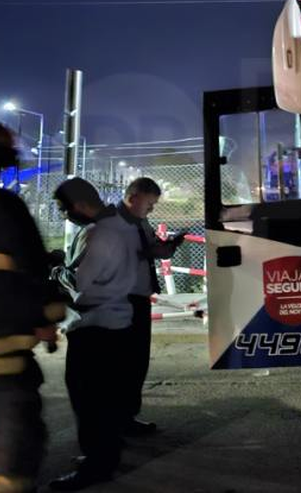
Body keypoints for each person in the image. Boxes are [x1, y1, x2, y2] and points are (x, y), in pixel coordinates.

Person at [49, 178, 143, 491]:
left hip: (94, 326)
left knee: (89, 401)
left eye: (64, 209)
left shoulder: (96, 233)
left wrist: (57, 270)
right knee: (107, 398)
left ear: (78, 204)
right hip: (117, 322)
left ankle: (96, 465)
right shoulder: (123, 227)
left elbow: (79, 282)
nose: (64, 215)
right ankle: (105, 456)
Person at [0, 121, 63, 493]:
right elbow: (33, 268)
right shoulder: (5, 207)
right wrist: (48, 316)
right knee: (12, 440)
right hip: (2, 356)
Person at [117, 177, 182, 436]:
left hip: (140, 298)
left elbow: (151, 250)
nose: (152, 210)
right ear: (133, 198)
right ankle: (115, 421)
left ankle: (127, 418)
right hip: (121, 301)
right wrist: (150, 252)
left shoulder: (140, 221)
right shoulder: (112, 222)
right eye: (150, 204)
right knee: (122, 364)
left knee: (137, 362)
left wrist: (168, 248)